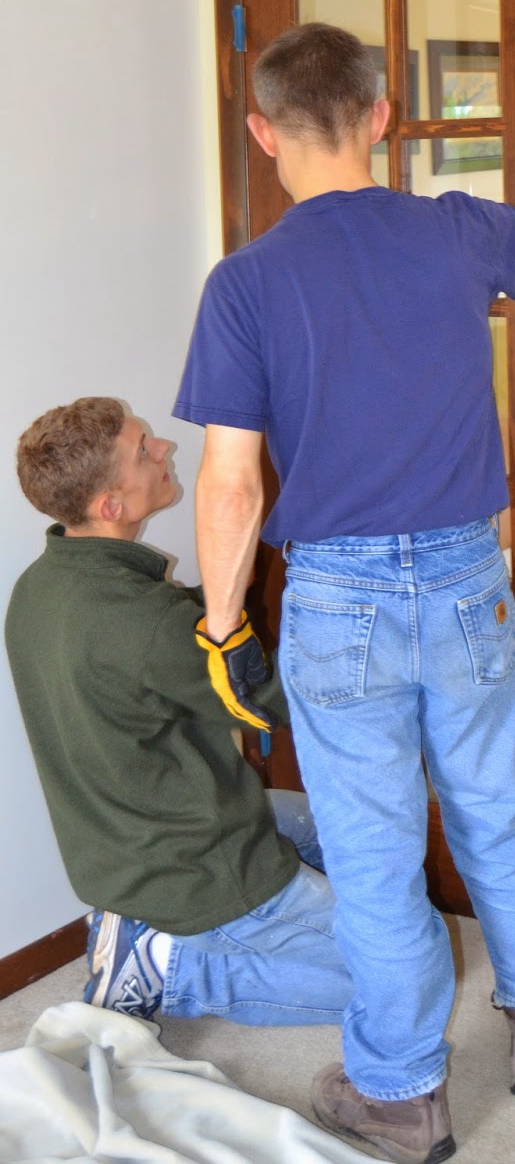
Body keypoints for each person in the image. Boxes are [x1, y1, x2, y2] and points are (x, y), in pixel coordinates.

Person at [173, 21, 515, 1164]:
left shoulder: (245, 282)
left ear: (262, 131)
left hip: (338, 600)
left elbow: (230, 482)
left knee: (372, 855)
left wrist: (221, 627)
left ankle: (402, 1092)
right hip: (468, 578)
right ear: (381, 117)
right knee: (498, 808)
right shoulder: (458, 231)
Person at [5, 396, 354, 1030]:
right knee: (414, 969)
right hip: (199, 866)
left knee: (325, 825)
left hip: (123, 850)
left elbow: (154, 653)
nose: (164, 448)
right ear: (111, 506)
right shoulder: (145, 625)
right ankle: (175, 971)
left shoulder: (38, 588)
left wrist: (228, 578)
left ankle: (141, 925)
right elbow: (273, 707)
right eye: (144, 450)